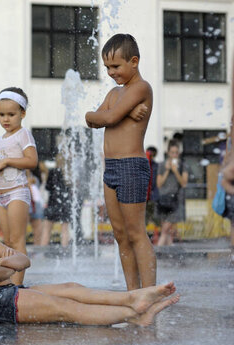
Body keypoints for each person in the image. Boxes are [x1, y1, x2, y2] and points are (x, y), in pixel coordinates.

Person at [0, 181, 180, 325]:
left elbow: (25, 260)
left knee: (70, 287)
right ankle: (133, 316)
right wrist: (5, 261)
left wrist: (3, 263)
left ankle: (132, 298)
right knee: (63, 306)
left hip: (10, 291)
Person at [84, 33, 155, 290]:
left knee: (136, 233)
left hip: (131, 166)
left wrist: (108, 115)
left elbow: (108, 117)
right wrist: (96, 114)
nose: (111, 72)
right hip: (111, 168)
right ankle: (132, 295)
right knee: (120, 235)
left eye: (116, 66)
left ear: (134, 61)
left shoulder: (141, 88)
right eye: (107, 68)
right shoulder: (116, 93)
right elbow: (91, 120)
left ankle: (149, 295)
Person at [0, 87, 38, 286]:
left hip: (17, 192)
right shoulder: (0, 139)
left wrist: (7, 161)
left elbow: (32, 161)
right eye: (1, 114)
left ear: (23, 113)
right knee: (8, 241)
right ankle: (11, 281)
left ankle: (18, 285)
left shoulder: (23, 135)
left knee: (18, 239)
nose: (6, 119)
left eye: (11, 114)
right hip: (0, 195)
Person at [156, 140, 189, 246]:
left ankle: (158, 253)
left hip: (175, 201)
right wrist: (167, 170)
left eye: (176, 152)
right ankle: (168, 256)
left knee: (165, 231)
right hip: (163, 200)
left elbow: (184, 183)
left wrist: (175, 171)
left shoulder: (183, 166)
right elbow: (159, 184)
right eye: (172, 152)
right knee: (168, 232)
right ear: (168, 153)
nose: (174, 155)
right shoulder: (162, 165)